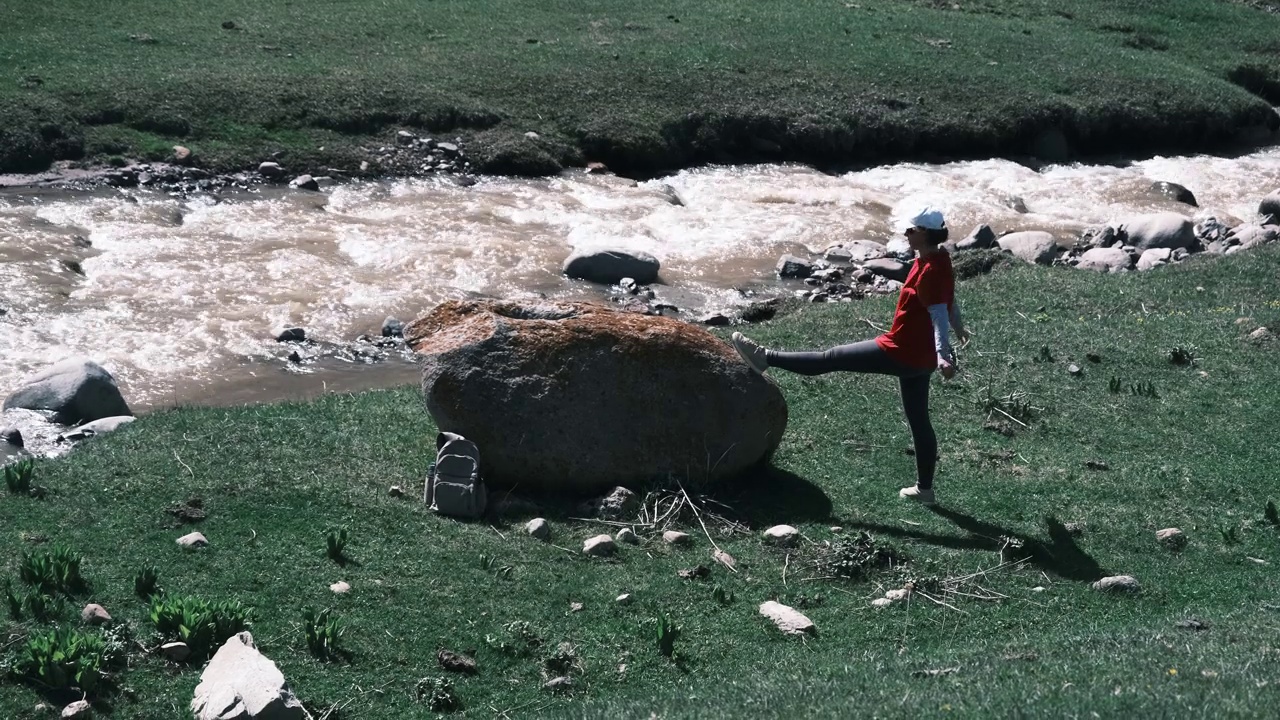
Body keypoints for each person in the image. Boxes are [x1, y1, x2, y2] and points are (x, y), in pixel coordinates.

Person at [731, 206, 969, 506]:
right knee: (919, 421)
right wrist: (958, 328)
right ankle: (925, 491)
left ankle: (766, 357)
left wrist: (945, 353)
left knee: (831, 358)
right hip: (919, 359)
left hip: (902, 351)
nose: (905, 234)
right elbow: (949, 300)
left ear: (924, 233)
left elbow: (938, 312)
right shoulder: (936, 258)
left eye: (910, 230)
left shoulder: (932, 268)